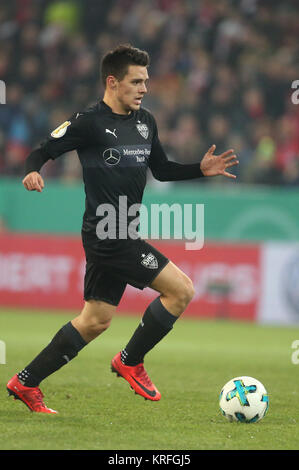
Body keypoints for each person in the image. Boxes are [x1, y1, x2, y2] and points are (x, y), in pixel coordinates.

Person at [6, 44, 239, 414]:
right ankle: (130, 361)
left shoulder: (146, 121)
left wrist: (200, 169)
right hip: (107, 234)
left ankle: (25, 381)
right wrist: (32, 170)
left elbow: (161, 169)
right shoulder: (88, 122)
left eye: (146, 81)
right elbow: (42, 150)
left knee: (95, 320)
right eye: (136, 81)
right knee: (181, 291)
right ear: (113, 83)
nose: (144, 88)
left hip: (122, 231)